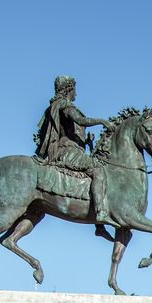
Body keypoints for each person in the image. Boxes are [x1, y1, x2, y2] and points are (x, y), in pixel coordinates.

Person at [34, 75, 114, 232]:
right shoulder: (64, 104)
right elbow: (80, 120)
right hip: (67, 151)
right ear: (69, 89)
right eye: (75, 89)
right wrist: (102, 121)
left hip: (71, 148)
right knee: (98, 171)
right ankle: (101, 215)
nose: (76, 93)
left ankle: (100, 225)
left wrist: (87, 142)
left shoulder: (56, 105)